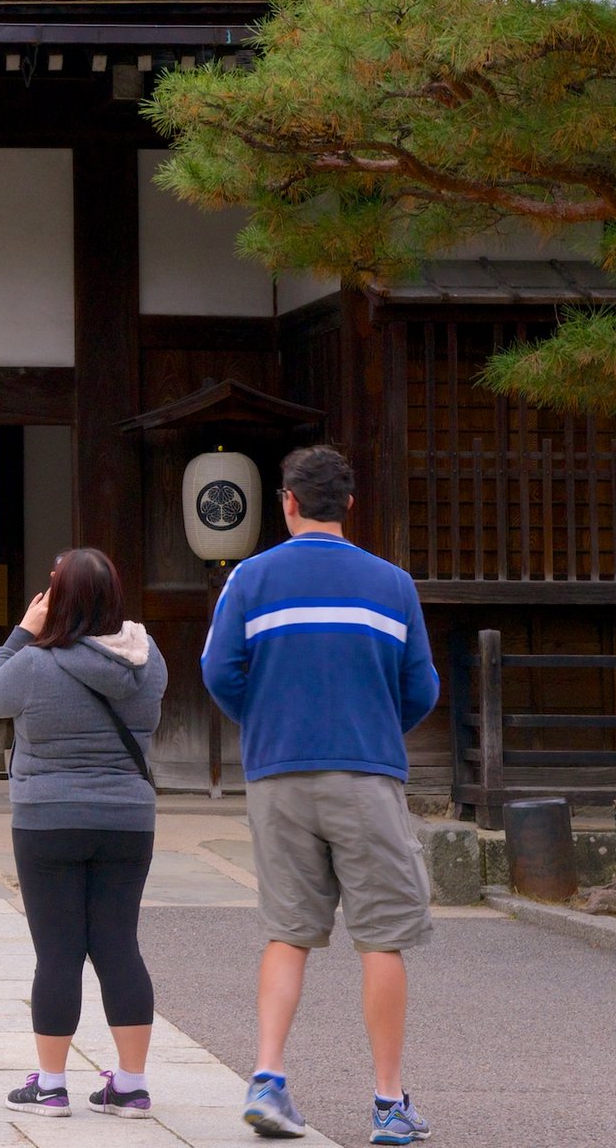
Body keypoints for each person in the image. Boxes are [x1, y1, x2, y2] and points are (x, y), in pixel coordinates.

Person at [202, 445, 440, 1145]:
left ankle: (269, 1078)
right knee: (384, 938)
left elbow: (219, 670)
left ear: (289, 503)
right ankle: (389, 1103)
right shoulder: (392, 584)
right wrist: (371, 724)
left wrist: (268, 719)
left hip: (277, 773)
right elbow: (422, 687)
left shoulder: (249, 578)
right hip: (366, 772)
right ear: (349, 506)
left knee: (289, 931)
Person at [0, 548, 166, 1122]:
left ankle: (51, 1085)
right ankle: (130, 1086)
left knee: (58, 952)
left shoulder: (35, 663)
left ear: (60, 598)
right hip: (128, 820)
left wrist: (22, 632)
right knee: (118, 946)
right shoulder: (147, 659)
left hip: (47, 819)